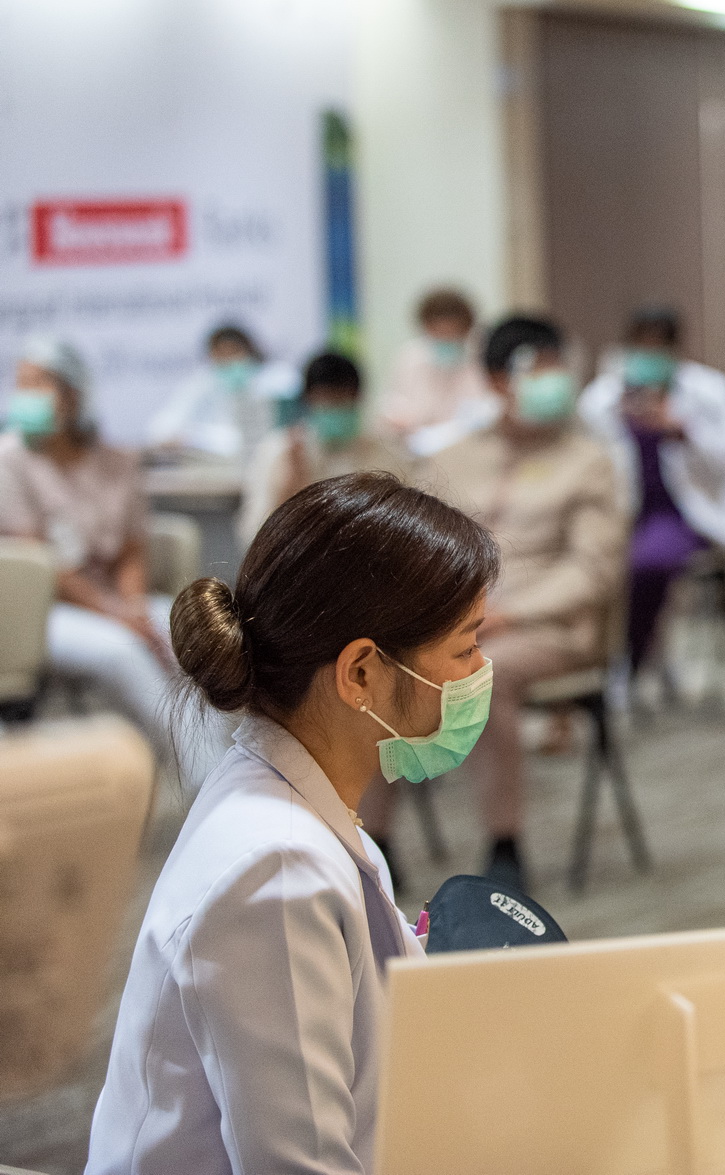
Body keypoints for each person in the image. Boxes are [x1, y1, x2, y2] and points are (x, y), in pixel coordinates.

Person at [85, 471, 499, 1174]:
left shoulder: (303, 801)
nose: (482, 671)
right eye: (465, 649)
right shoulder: (276, 872)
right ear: (360, 673)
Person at [389, 314, 622, 891]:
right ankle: (372, 842)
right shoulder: (450, 458)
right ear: (497, 380)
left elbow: (593, 570)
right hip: (457, 621)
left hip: (550, 628)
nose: (554, 381)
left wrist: (508, 614)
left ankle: (504, 844)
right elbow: (415, 546)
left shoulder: (588, 462)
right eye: (537, 369)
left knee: (482, 674)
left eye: (557, 367)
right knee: (371, 660)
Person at [0, 336, 177, 762]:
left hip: (114, 598)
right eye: (21, 383)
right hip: (46, 610)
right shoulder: (10, 461)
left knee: (181, 631)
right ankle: (198, 772)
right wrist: (116, 615)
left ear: (73, 394)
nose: (26, 395)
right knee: (123, 652)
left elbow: (131, 548)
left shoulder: (116, 461)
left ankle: (215, 761)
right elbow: (45, 565)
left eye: (38, 383)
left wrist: (133, 607)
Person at [579, 306, 725, 681]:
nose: (649, 353)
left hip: (686, 516)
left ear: (675, 348)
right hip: (620, 515)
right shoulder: (603, 398)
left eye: (658, 345)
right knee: (586, 567)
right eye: (640, 344)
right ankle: (591, 669)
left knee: (646, 563)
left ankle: (629, 664)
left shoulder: (711, 390)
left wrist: (682, 431)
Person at [237, 352, 410, 542]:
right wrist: (289, 492)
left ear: (359, 398)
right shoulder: (279, 451)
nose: (335, 407)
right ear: (308, 400)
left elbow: (406, 527)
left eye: (343, 399)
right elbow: (252, 536)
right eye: (327, 399)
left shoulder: (385, 452)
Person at [146, 323, 299, 460]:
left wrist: (195, 438)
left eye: (234, 352)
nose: (229, 361)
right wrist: (179, 437)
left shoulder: (277, 378)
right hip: (219, 467)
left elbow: (255, 439)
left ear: (249, 350)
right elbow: (161, 427)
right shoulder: (204, 381)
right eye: (221, 355)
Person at [375, 286, 496, 445]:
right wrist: (400, 419)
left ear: (467, 330)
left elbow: (489, 408)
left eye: (451, 334)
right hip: (417, 446)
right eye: (439, 334)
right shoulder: (410, 358)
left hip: (469, 446)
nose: (445, 339)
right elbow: (393, 405)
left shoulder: (481, 359)